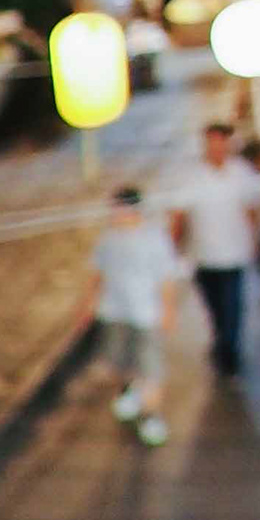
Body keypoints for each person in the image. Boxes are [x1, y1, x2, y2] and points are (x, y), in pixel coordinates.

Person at [168, 122, 260, 380]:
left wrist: (257, 241)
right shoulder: (191, 176)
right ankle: (223, 342)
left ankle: (228, 356)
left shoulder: (242, 173)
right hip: (203, 256)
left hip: (234, 254)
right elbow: (180, 215)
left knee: (232, 306)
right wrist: (174, 247)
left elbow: (253, 210)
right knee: (216, 307)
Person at [88, 187, 180, 446]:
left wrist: (168, 311)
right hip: (116, 312)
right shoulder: (108, 239)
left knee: (151, 368)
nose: (114, 215)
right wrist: (88, 304)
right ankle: (129, 393)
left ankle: (151, 416)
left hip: (147, 315)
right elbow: (97, 273)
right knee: (121, 361)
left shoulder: (154, 239)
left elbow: (166, 278)